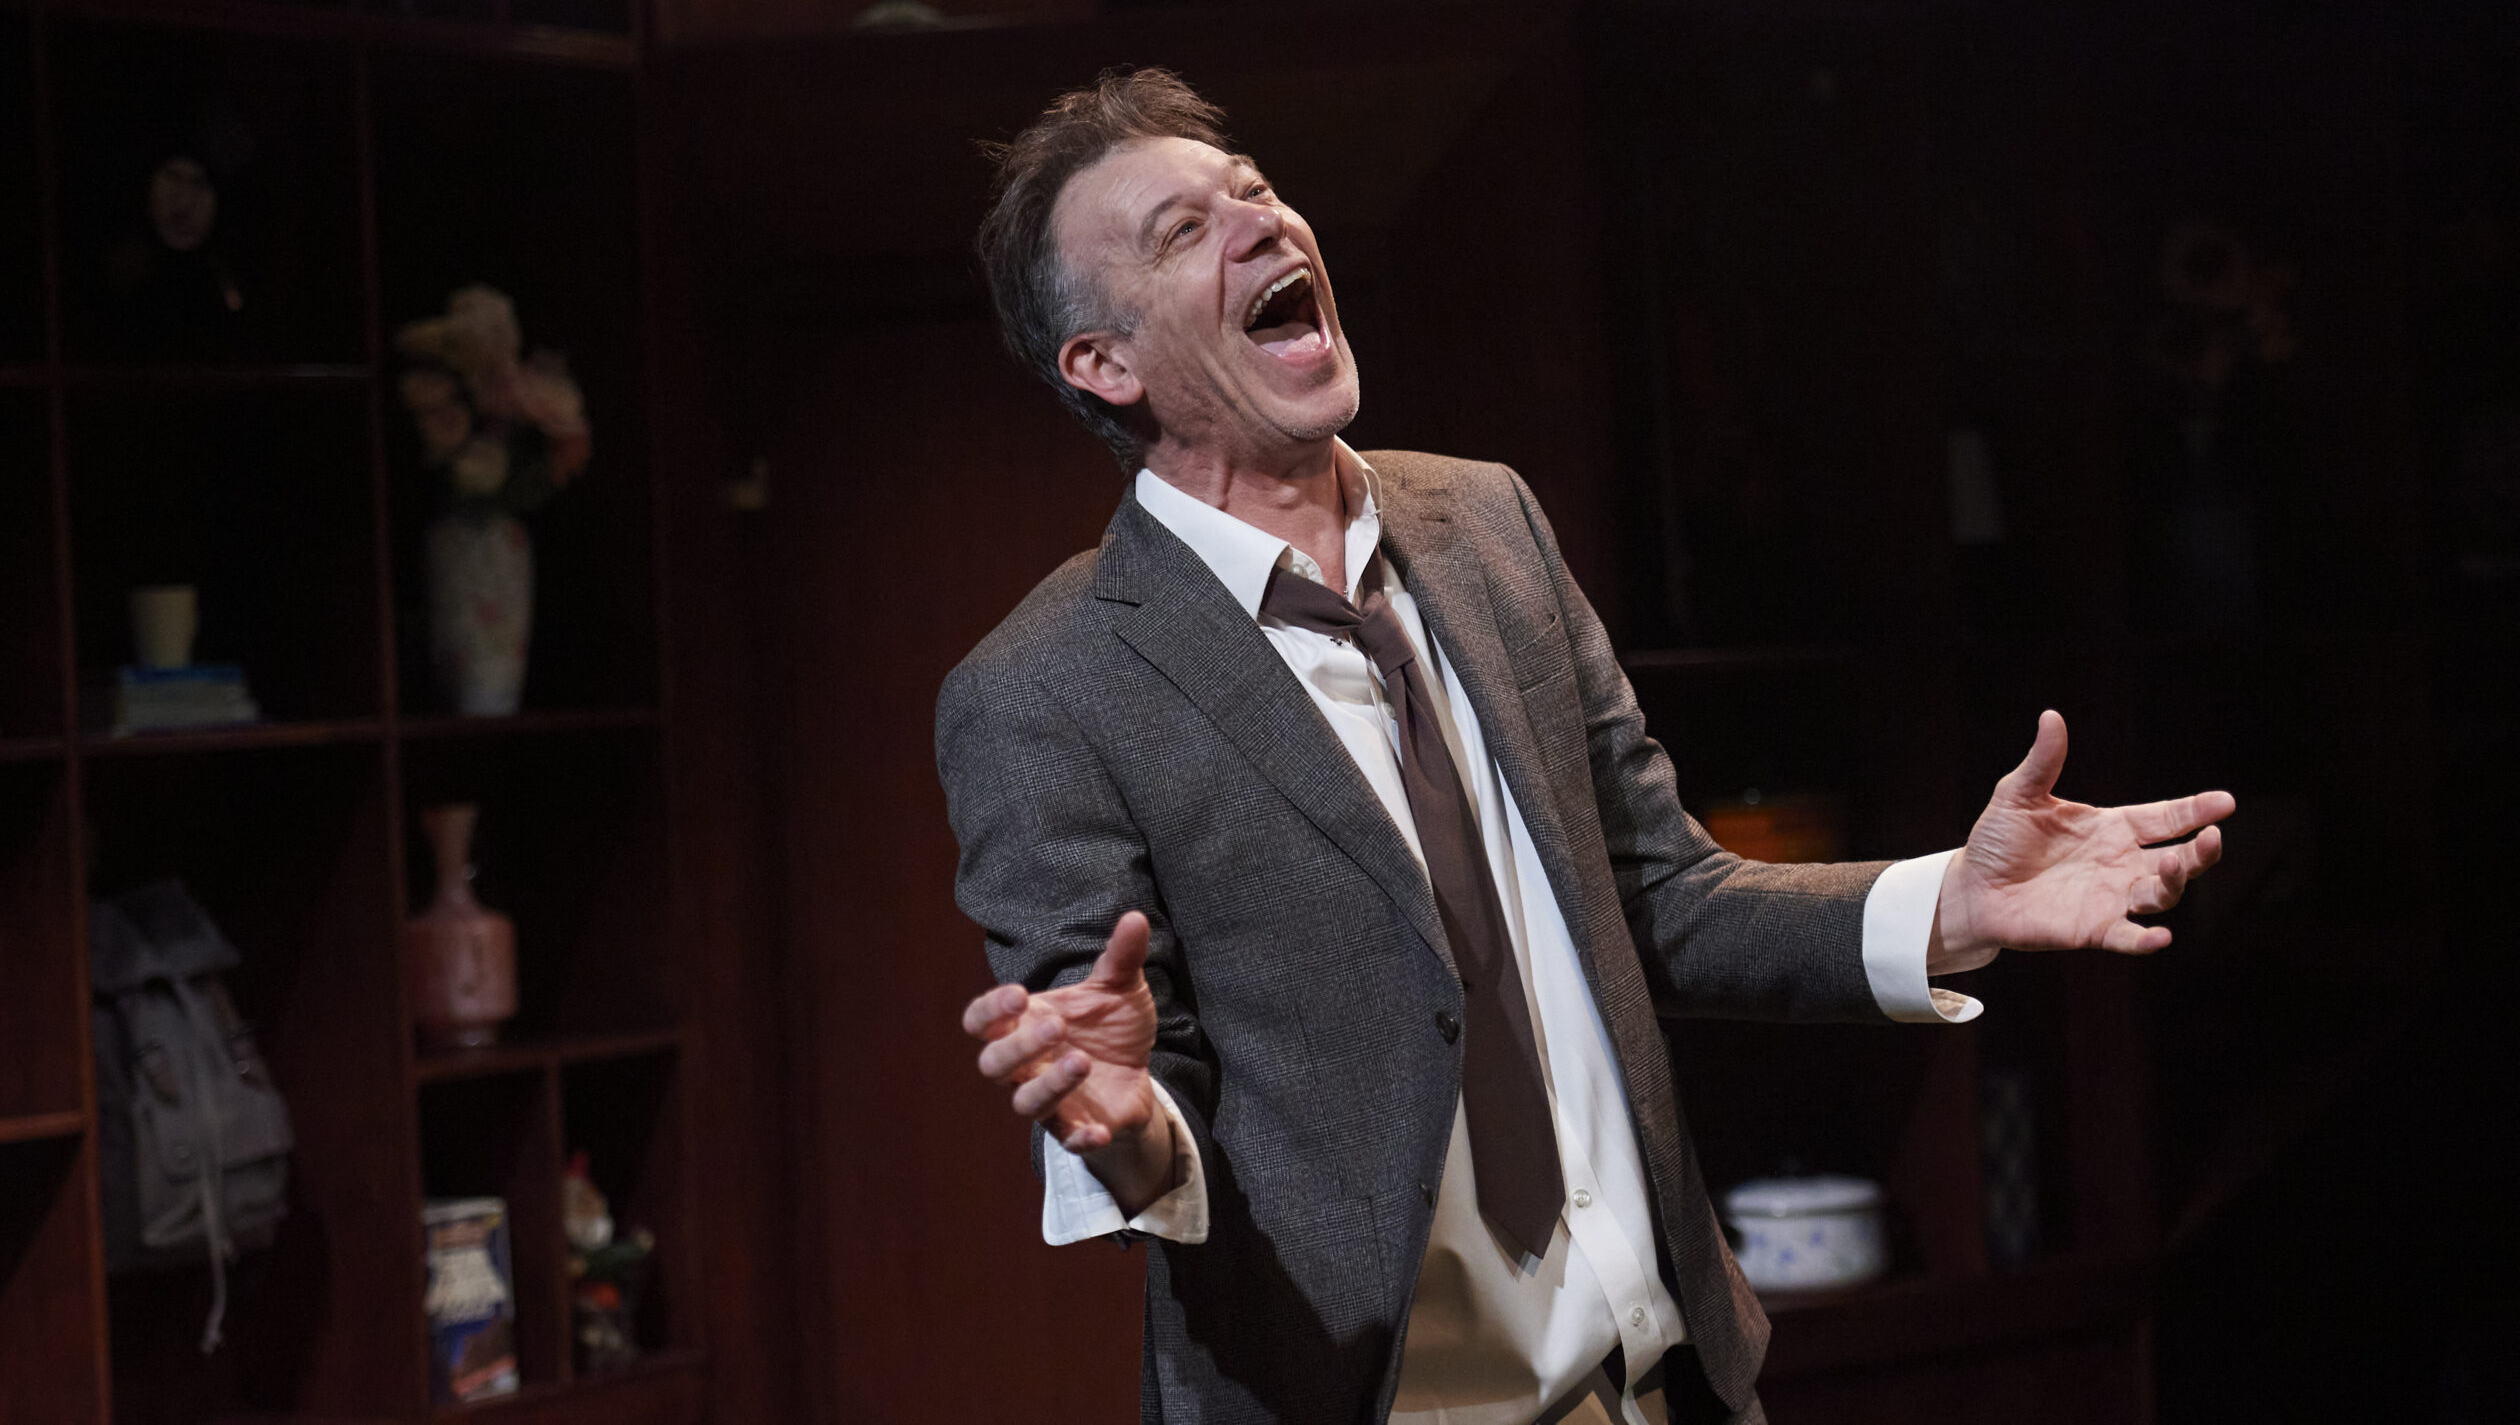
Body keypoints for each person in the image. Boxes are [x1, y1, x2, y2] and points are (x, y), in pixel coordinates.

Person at [940, 69, 2230, 1424]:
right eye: (1181, 234)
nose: (1259, 226)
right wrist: (1127, 1122)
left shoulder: (1483, 524)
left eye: (1253, 192)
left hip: (1655, 1385)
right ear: (1106, 363)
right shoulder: (1046, 688)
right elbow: (1126, 1093)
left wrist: (1949, 906)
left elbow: (1660, 897)